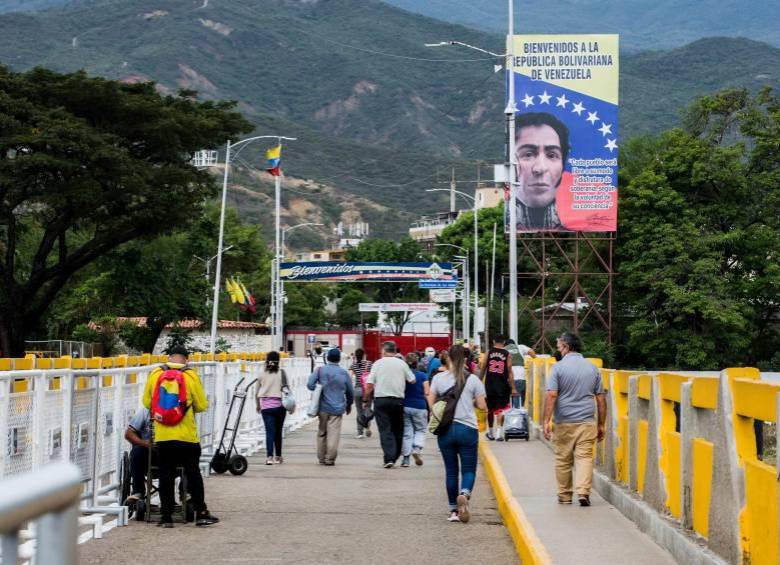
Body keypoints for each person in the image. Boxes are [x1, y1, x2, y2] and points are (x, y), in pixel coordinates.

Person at [142, 346, 218, 527]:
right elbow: (201, 405)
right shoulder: (190, 375)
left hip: (163, 435)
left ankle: (166, 517)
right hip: (186, 436)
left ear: (168, 357)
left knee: (166, 473)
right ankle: (201, 512)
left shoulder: (155, 374)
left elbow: (147, 403)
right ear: (186, 359)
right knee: (193, 473)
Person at [543, 332, 606, 506]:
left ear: (566, 347)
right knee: (585, 457)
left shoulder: (558, 368)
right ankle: (583, 492)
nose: (558, 351)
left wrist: (546, 420)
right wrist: (601, 424)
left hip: (564, 421)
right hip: (587, 421)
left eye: (559, 347)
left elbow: (552, 395)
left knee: (563, 459)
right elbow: (600, 398)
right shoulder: (592, 368)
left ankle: (564, 495)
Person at [428, 344, 487, 523]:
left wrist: (441, 412)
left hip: (445, 429)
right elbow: (483, 406)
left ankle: (453, 511)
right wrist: (471, 403)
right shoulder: (474, 380)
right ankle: (465, 493)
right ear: (466, 359)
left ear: (448, 358)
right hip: (467, 428)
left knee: (451, 471)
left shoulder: (438, 379)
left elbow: (431, 402)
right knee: (468, 469)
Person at [514, 112, 570, 231]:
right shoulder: (505, 227)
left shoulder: (576, 225)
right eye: (528, 154)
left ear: (562, 166)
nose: (540, 168)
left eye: (551, 155)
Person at [365, 341, 416, 468]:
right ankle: (395, 455)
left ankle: (389, 458)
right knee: (398, 429)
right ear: (394, 351)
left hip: (381, 400)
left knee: (385, 430)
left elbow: (370, 384)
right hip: (397, 400)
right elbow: (413, 380)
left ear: (384, 350)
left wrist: (365, 399)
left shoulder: (377, 363)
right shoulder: (402, 363)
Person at [307, 348, 353, 466]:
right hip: (337, 408)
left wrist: (318, 388)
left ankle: (321, 457)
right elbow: (350, 392)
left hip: (322, 407)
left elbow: (310, 384)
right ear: (339, 359)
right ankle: (330, 459)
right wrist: (349, 405)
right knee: (333, 434)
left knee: (322, 432)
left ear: (327, 358)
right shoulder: (344, 373)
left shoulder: (320, 370)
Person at [481, 335, 516, 441]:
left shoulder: (489, 352)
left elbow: (483, 367)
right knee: (501, 409)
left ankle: (491, 433)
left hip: (490, 385)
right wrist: (513, 388)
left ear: (493, 341)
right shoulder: (507, 354)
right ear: (504, 342)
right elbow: (510, 371)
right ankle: (499, 433)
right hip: (502, 386)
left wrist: (478, 382)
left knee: (490, 409)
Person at [255, 351, 287, 465]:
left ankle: (269, 457)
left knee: (269, 432)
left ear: (267, 360)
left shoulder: (261, 374)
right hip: (280, 406)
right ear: (278, 361)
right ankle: (278, 456)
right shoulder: (282, 373)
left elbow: (256, 392)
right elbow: (287, 390)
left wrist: (258, 405)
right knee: (278, 432)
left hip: (266, 407)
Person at [401, 352, 429, 468]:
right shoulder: (423, 376)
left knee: (407, 431)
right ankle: (416, 448)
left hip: (405, 405)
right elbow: (427, 392)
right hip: (420, 406)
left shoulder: (403, 375)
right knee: (421, 430)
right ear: (417, 363)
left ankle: (405, 459)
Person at [123, 407, 151, 506]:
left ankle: (186, 492)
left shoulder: (178, 409)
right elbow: (128, 434)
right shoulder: (145, 412)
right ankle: (138, 491)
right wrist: (144, 443)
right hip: (148, 453)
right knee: (137, 451)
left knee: (189, 451)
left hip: (171, 453)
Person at [349, 348, 373, 439]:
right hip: (367, 389)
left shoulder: (353, 365)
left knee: (359, 412)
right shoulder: (369, 364)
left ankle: (360, 433)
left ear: (355, 356)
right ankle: (367, 427)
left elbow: (350, 377)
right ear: (364, 355)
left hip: (357, 390)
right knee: (367, 409)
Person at [505, 339, 536, 408]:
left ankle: (514, 415)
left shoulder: (504, 350)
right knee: (520, 400)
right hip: (521, 377)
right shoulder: (520, 347)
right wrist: (535, 358)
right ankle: (518, 415)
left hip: (509, 378)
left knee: (511, 401)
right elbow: (531, 352)